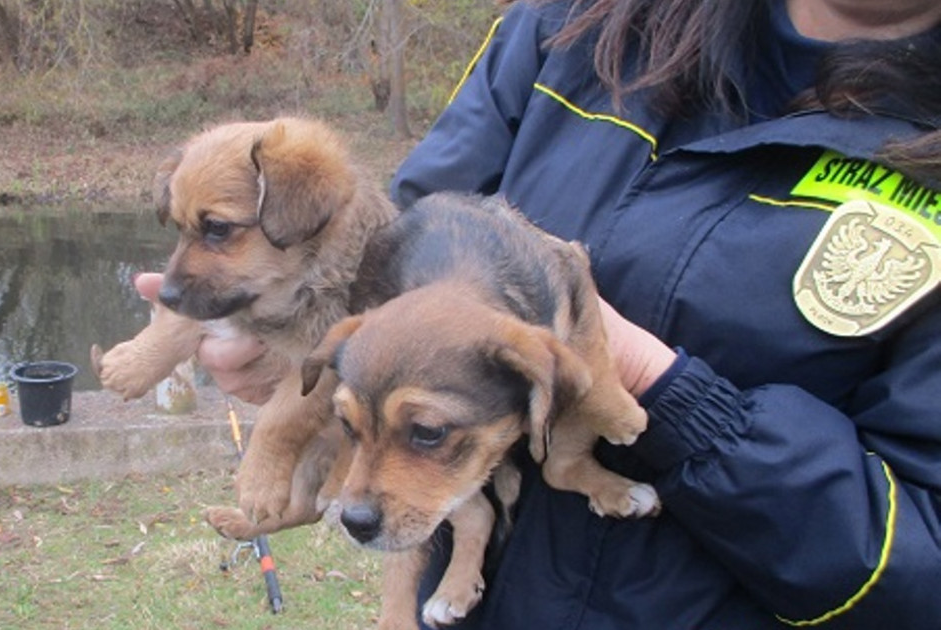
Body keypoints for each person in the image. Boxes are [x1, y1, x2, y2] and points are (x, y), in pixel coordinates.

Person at [136, 0, 941, 626]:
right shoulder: (573, 30)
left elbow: (918, 572)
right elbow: (398, 239)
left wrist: (653, 387)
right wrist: (298, 348)